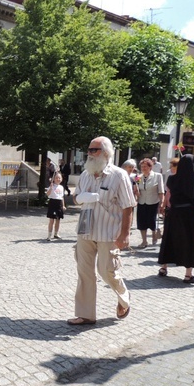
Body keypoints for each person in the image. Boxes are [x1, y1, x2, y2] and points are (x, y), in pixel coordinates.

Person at [68, 136, 136, 326]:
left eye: (94, 150)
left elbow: (128, 206)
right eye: (89, 150)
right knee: (84, 273)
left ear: (106, 153)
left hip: (109, 232)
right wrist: (81, 197)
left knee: (107, 271)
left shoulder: (119, 175)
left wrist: (125, 234)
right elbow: (75, 198)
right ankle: (86, 314)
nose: (89, 153)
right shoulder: (85, 174)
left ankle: (124, 297)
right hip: (85, 231)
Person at [135, 158, 165, 248]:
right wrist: (136, 192)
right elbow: (136, 189)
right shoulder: (138, 177)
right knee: (141, 222)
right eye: (142, 166)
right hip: (141, 202)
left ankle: (154, 236)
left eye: (145, 166)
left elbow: (161, 190)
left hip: (153, 202)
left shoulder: (157, 176)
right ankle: (144, 241)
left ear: (150, 167)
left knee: (152, 221)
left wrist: (162, 202)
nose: (143, 168)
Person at [46, 172, 66, 240]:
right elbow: (47, 194)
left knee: (58, 219)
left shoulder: (61, 187)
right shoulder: (51, 186)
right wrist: (51, 188)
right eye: (57, 178)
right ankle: (49, 234)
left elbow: (62, 197)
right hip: (53, 203)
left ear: (61, 179)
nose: (58, 179)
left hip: (59, 203)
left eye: (59, 178)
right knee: (52, 220)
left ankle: (56, 233)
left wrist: (63, 205)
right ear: (53, 179)